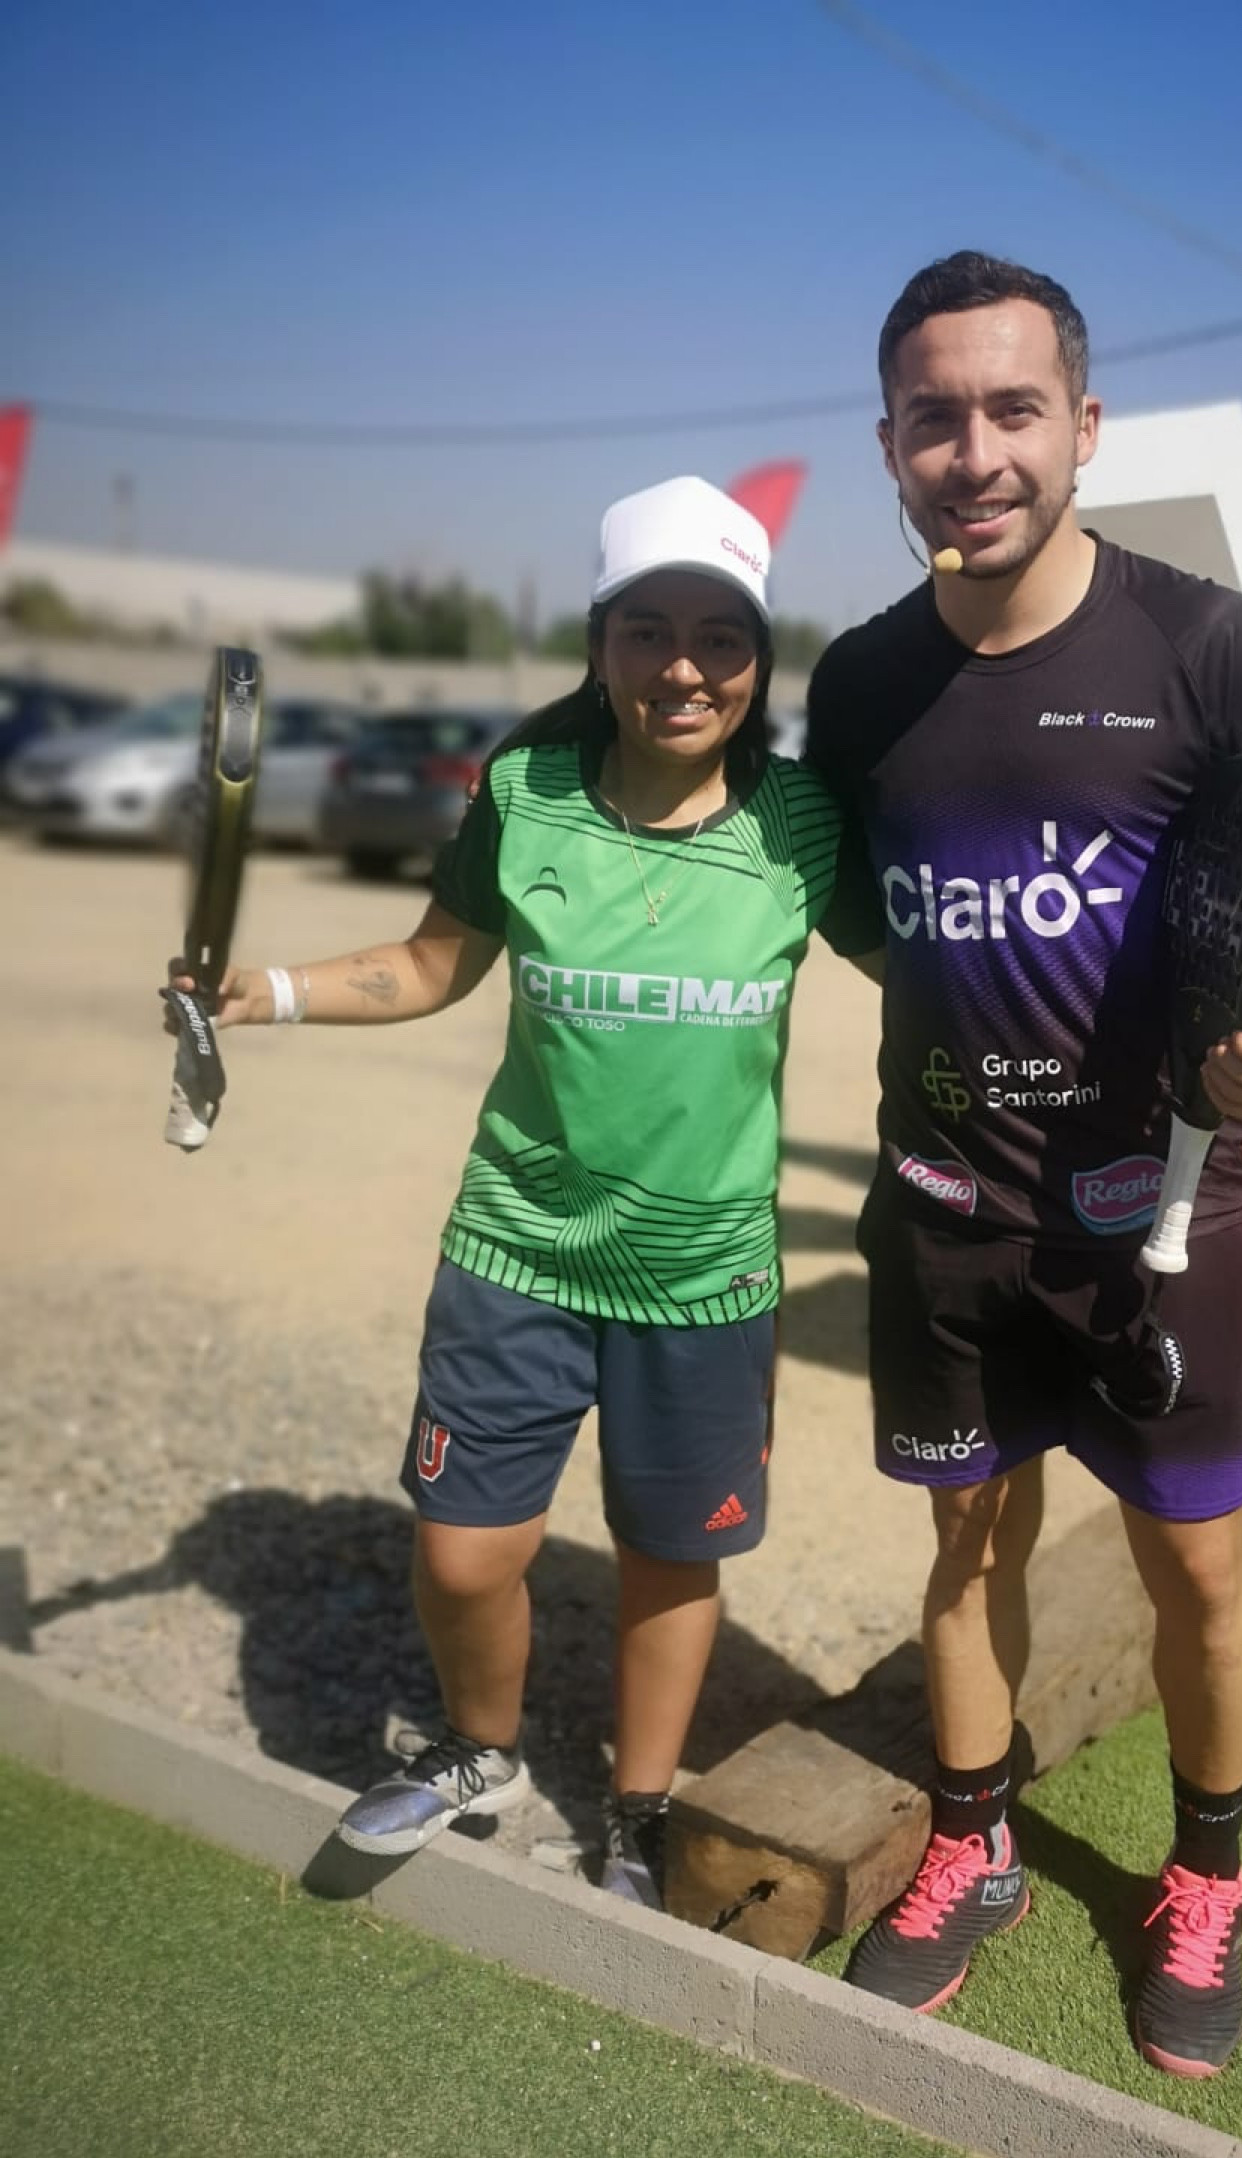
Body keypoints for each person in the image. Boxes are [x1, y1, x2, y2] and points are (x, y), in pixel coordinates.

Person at [170, 476, 879, 1905]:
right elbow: (433, 965)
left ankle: (635, 1813)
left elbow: (934, 968)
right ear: (601, 642)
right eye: (649, 631)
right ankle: (481, 1752)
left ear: (759, 658)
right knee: (463, 1555)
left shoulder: (804, 823)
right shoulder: (526, 795)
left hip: (706, 1278)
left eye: (721, 637)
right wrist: (267, 992)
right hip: (518, 1249)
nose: (684, 667)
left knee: (669, 1559)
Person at [804, 254, 1242, 2074]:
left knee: (1195, 1565)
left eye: (1013, 409)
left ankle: (1206, 1879)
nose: (975, 453)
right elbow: (876, 922)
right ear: (891, 444)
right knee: (968, 1544)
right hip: (947, 1212)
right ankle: (973, 1848)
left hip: (1166, 1213)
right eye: (935, 418)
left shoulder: (1204, 643)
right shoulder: (860, 683)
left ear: (1084, 426)